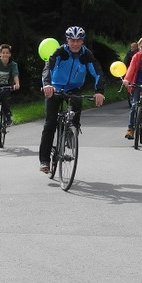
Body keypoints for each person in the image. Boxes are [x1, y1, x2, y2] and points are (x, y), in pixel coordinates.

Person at [39, 25, 105, 173]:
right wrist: (47, 85)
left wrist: (99, 91)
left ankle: (71, 132)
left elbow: (98, 73)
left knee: (75, 110)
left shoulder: (86, 54)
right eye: (72, 40)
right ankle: (44, 161)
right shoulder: (60, 52)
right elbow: (47, 68)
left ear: (82, 41)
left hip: (74, 88)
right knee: (50, 124)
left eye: (78, 40)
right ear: (67, 40)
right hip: (55, 87)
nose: (75, 44)